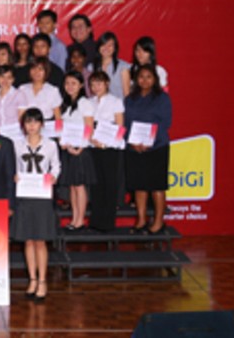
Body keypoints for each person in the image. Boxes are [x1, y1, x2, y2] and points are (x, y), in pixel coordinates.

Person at [11, 108, 61, 302]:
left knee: (40, 240)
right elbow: (15, 166)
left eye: (35, 122)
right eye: (28, 122)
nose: (32, 126)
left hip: (42, 195)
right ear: (23, 125)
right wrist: (15, 177)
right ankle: (31, 279)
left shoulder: (50, 145)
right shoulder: (17, 145)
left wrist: (54, 177)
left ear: (41, 124)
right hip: (25, 195)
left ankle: (42, 281)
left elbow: (56, 165)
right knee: (28, 240)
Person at [124, 65, 172, 235]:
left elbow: (166, 123)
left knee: (157, 186)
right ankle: (141, 220)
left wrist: (149, 141)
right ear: (136, 79)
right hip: (134, 148)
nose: (145, 80)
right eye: (141, 76)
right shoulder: (130, 99)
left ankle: (159, 222)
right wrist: (132, 141)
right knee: (139, 186)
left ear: (155, 79)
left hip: (156, 147)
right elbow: (125, 124)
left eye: (149, 77)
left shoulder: (162, 98)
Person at [58, 71, 97, 231]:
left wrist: (80, 147)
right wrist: (64, 144)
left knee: (80, 186)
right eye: (67, 83)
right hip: (68, 149)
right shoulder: (64, 104)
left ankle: (80, 220)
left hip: (81, 150)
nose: (70, 87)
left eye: (74, 83)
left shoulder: (85, 103)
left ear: (81, 85)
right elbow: (61, 127)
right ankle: (74, 219)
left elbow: (89, 127)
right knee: (72, 186)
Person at [87, 71, 125, 233]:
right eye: (93, 84)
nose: (96, 87)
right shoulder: (88, 102)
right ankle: (96, 221)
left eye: (99, 83)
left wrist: (106, 142)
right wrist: (92, 139)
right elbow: (87, 126)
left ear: (107, 83)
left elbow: (120, 127)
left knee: (110, 183)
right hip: (93, 146)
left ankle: (108, 222)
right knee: (96, 184)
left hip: (110, 148)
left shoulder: (116, 102)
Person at [89, 31, 131, 100]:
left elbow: (127, 94)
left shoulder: (123, 67)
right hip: (98, 107)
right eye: (103, 44)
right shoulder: (91, 67)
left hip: (118, 108)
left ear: (115, 48)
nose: (106, 48)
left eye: (110, 45)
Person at [0, 65, 28, 130]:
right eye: (2, 77)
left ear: (13, 79)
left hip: (14, 133)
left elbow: (22, 120)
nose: (5, 80)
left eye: (9, 77)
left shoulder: (19, 94)